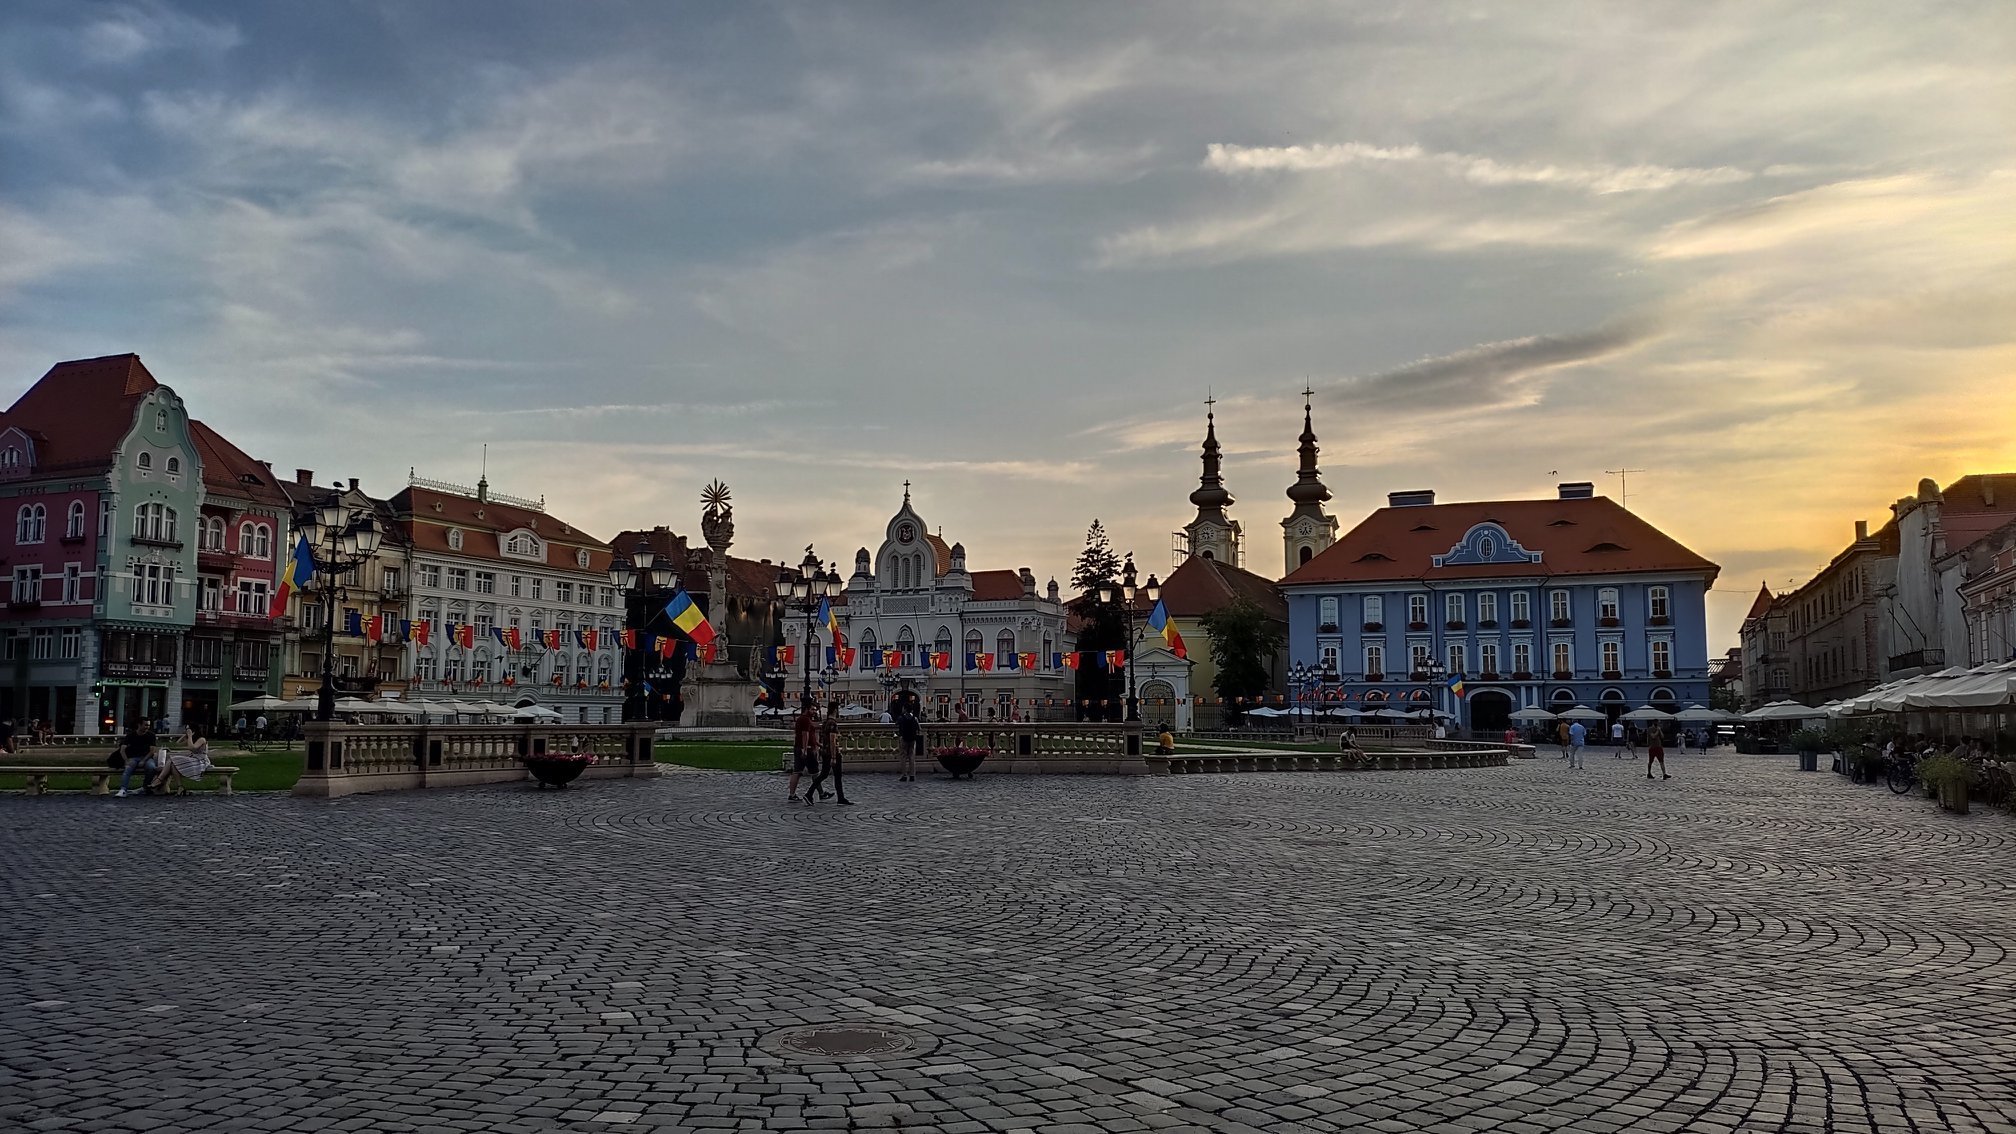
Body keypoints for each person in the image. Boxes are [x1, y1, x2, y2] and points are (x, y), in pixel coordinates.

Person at [806, 701, 851, 805]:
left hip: (825, 752)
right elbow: (832, 740)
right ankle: (840, 798)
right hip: (832, 753)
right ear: (835, 710)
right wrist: (834, 757)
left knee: (824, 774)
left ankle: (809, 794)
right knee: (837, 776)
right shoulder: (832, 723)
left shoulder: (825, 722)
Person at [155, 726, 213, 794]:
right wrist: (185, 735)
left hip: (200, 761)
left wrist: (190, 736)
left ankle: (159, 779)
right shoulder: (191, 739)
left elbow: (191, 748)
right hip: (194, 759)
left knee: (172, 759)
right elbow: (178, 743)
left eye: (188, 730)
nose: (186, 731)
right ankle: (180, 787)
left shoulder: (201, 739)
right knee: (173, 764)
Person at [787, 700, 821, 803]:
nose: (814, 712)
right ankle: (821, 793)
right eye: (813, 709)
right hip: (807, 749)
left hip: (799, 747)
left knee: (797, 771)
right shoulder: (805, 720)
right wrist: (805, 749)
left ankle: (792, 794)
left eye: (815, 710)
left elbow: (809, 736)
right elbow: (805, 735)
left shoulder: (801, 719)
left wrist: (818, 744)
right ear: (807, 709)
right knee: (815, 772)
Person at [113, 722, 158, 797]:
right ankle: (123, 789)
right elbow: (122, 750)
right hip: (133, 757)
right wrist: (126, 760)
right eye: (146, 725)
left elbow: (152, 751)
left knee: (151, 767)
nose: (147, 727)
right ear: (139, 725)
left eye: (148, 725)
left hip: (146, 757)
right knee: (128, 768)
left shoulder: (151, 735)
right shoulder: (131, 735)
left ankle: (145, 787)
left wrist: (143, 760)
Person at [894, 704, 923, 782]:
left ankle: (904, 775)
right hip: (912, 739)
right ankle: (912, 775)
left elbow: (896, 724)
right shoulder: (915, 718)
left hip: (904, 738)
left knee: (903, 757)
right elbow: (919, 728)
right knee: (912, 757)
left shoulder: (901, 718)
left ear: (905, 709)